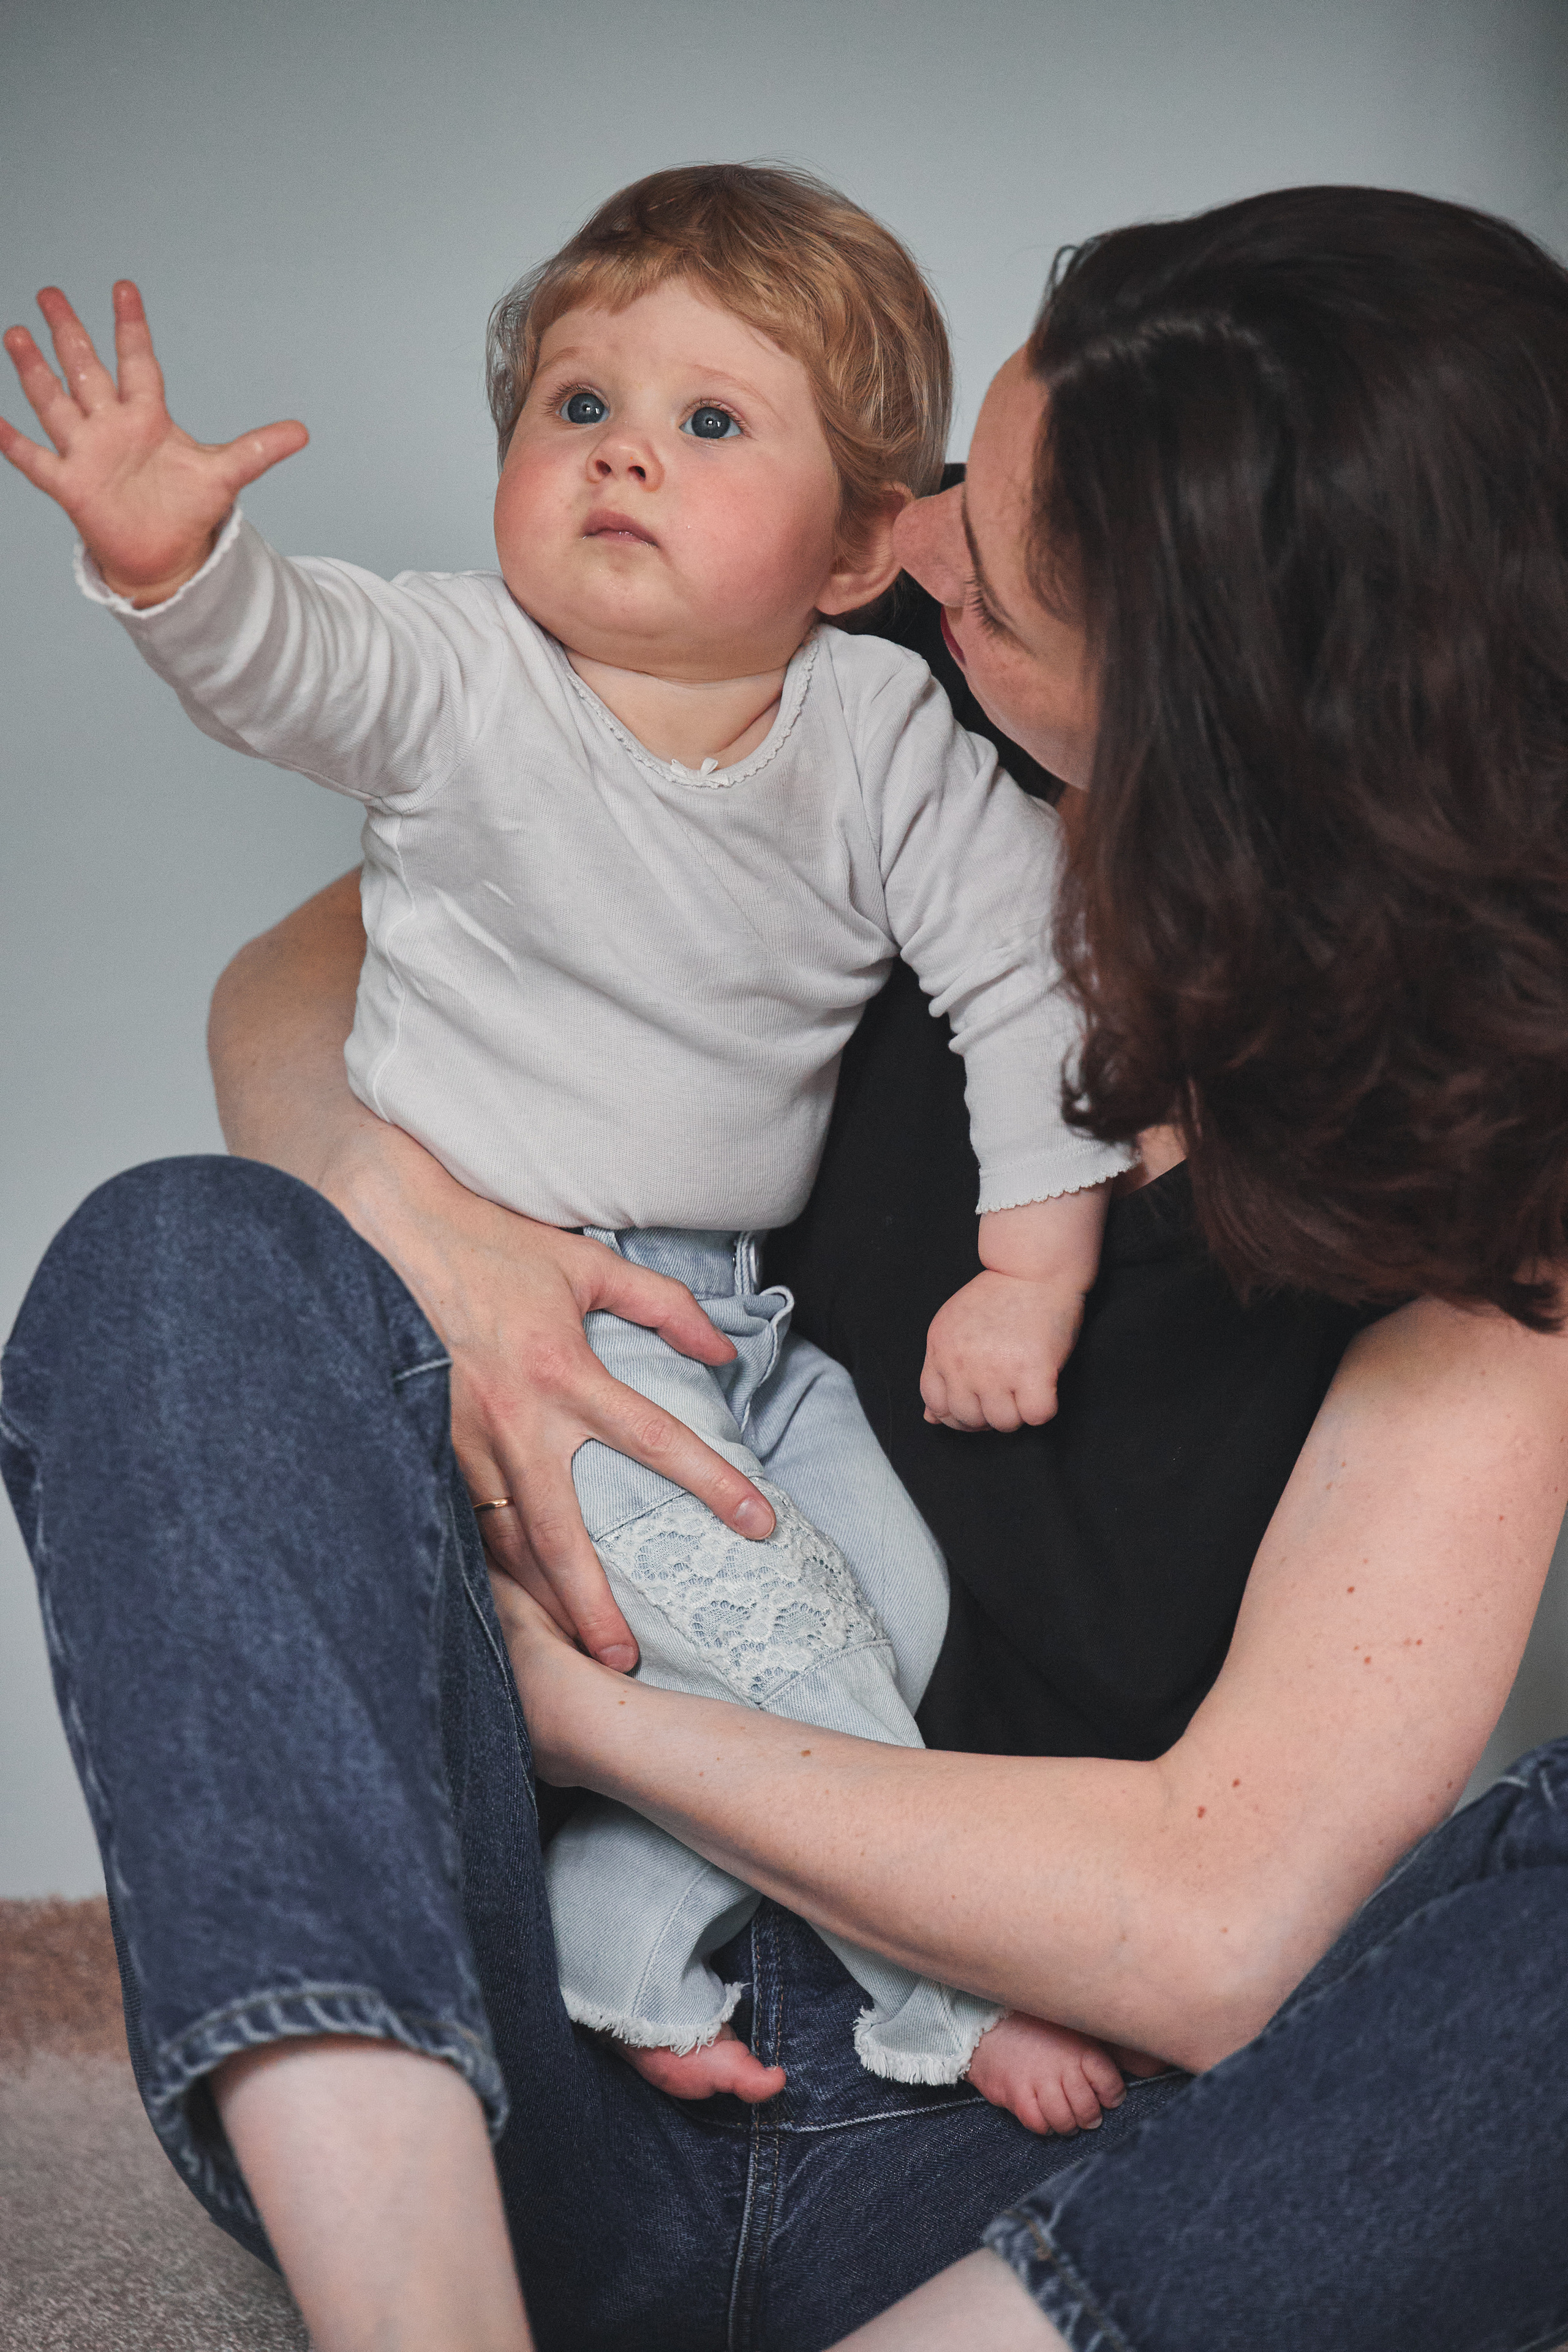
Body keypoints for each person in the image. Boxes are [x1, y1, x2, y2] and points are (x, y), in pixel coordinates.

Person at [3, 179, 1567, 2352]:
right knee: (170, 1256)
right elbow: (299, 977)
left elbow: (1215, 1921)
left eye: (987, 571)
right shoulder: (852, 659)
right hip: (510, 2045)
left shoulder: (1503, 1214)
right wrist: (427, 1233)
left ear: (1212, 750)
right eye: (935, 497)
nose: (912, 549)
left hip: (1027, 2150)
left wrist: (592, 1705)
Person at [1, 161, 1137, 2124]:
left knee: (889, 1596)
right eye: (578, 408)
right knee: (766, 1622)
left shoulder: (878, 733)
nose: (622, 460)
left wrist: (1034, 1262)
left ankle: (612, 1933)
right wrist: (177, 570)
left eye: (708, 425)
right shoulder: (468, 678)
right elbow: (301, 661)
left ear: (866, 543)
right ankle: (949, 1998)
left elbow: (1028, 982)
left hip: (737, 1325)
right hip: (508, 1304)